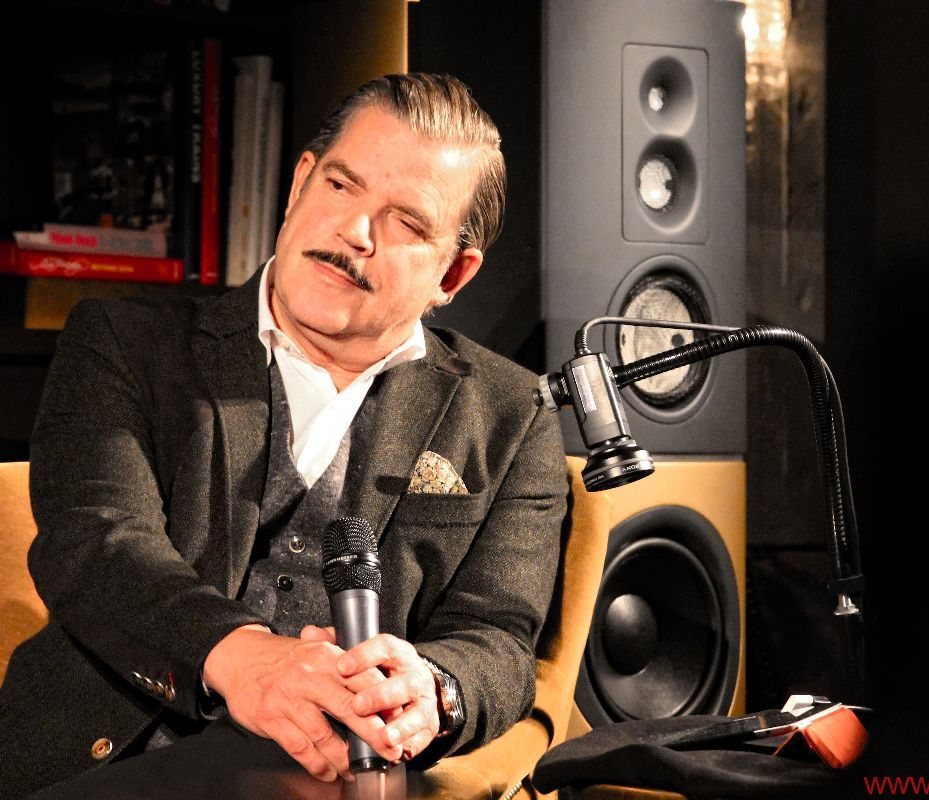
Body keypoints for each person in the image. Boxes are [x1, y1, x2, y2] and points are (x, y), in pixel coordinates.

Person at [0, 73, 567, 798]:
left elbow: (499, 638)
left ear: (452, 272)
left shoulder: (514, 415)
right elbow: (98, 543)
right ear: (300, 183)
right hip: (106, 760)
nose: (354, 232)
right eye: (340, 185)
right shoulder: (123, 342)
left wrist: (434, 688)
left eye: (405, 222)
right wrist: (244, 658)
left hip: (345, 776)